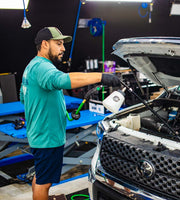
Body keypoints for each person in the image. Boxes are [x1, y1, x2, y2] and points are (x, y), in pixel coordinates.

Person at [19, 27, 120, 200]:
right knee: (45, 183)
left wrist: (61, 112)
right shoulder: (43, 67)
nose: (63, 48)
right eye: (58, 44)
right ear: (44, 44)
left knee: (41, 176)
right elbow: (63, 80)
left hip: (39, 133)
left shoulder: (32, 66)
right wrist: (101, 77)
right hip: (47, 136)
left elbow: (24, 98)